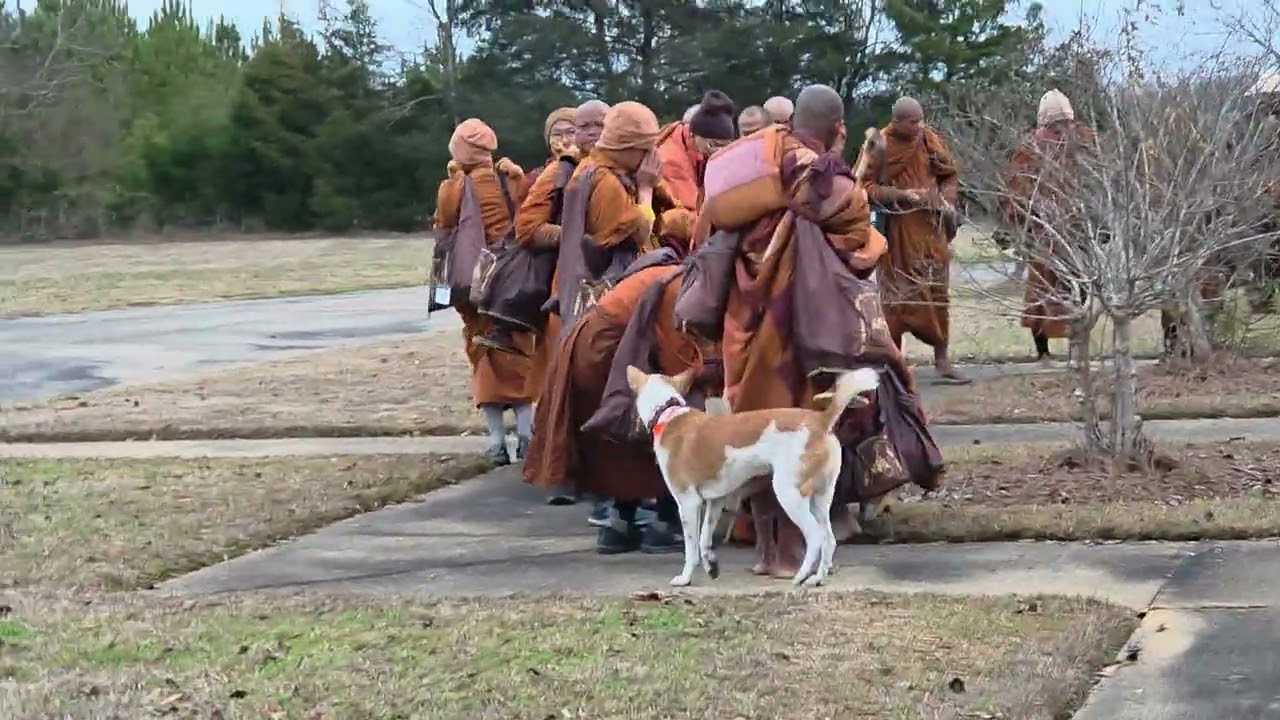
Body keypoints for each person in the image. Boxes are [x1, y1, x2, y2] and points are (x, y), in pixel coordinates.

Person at [714, 84, 941, 577]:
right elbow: (857, 225)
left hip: (749, 316)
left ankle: (772, 547)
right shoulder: (813, 172)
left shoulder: (764, 156)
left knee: (763, 427)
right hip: (793, 325)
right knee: (795, 430)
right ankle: (787, 555)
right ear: (837, 128)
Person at [523, 211, 702, 553]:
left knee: (614, 440)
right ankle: (665, 523)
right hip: (603, 350)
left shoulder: (654, 268)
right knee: (657, 424)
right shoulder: (675, 280)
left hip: (584, 346)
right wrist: (698, 375)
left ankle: (619, 526)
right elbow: (676, 357)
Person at [531, 101, 679, 505]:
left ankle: (611, 505)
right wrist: (648, 188)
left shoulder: (588, 171)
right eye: (646, 149)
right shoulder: (608, 182)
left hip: (584, 299)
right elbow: (636, 231)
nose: (653, 158)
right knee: (617, 402)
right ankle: (622, 507)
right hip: (610, 303)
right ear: (631, 148)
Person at [514, 99, 610, 506]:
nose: (587, 134)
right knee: (567, 381)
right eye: (579, 127)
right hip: (568, 290)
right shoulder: (560, 172)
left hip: (617, 288)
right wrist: (573, 234)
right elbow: (527, 228)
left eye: (596, 125)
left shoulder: (631, 171)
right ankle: (563, 472)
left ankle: (612, 477)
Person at [434, 118, 536, 465]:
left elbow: (444, 224)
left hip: (471, 290)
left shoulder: (455, 186)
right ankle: (527, 438)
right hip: (510, 286)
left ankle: (496, 444)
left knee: (484, 361)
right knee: (520, 358)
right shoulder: (506, 180)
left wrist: (452, 182)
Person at [858, 96, 968, 383]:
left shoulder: (928, 139)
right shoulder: (879, 145)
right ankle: (895, 365)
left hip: (931, 232)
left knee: (937, 294)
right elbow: (864, 187)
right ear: (897, 121)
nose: (919, 126)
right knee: (896, 300)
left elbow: (950, 174)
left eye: (921, 120)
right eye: (913, 122)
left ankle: (942, 361)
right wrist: (901, 195)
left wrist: (946, 202)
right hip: (897, 234)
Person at [1000, 89, 1098, 363]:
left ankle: (1073, 351)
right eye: (1058, 125)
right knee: (1044, 290)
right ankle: (1048, 352)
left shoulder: (1083, 140)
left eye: (1064, 124)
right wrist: (1034, 211)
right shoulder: (1032, 146)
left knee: (1076, 288)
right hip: (1046, 229)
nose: (1062, 130)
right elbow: (1018, 187)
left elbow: (1098, 176)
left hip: (1075, 228)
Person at [475, 106, 578, 357]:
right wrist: (517, 181)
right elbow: (525, 212)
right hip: (544, 244)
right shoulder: (544, 172)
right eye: (556, 134)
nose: (564, 140)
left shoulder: (585, 168)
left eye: (571, 132)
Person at [656, 90, 738, 210]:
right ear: (693, 134)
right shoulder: (671, 159)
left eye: (725, 146)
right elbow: (691, 211)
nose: (719, 151)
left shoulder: (696, 148)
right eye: (714, 144)